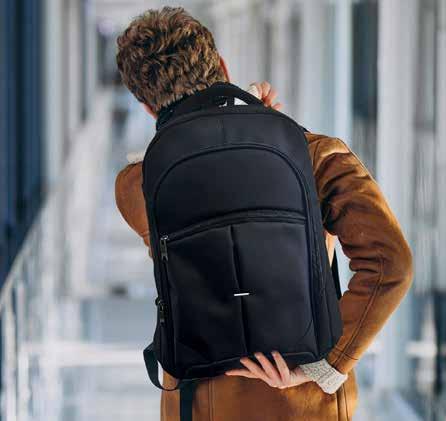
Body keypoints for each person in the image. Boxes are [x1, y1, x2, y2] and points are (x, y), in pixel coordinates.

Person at [114, 7, 413, 421]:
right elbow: (391, 264)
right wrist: (325, 366)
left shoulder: (137, 185)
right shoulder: (317, 155)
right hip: (304, 401)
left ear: (147, 108)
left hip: (201, 402)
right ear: (223, 68)